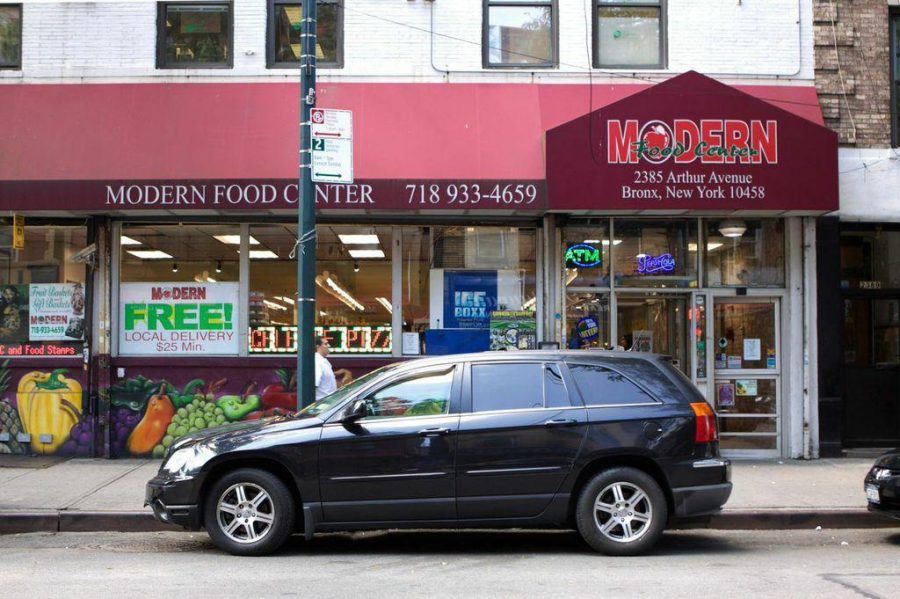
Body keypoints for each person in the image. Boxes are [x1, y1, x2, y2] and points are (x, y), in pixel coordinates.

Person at [314, 336, 337, 400]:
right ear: (318, 347)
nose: (329, 346)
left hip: (329, 403)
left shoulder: (324, 361)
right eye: (326, 344)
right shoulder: (317, 362)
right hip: (322, 405)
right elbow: (314, 386)